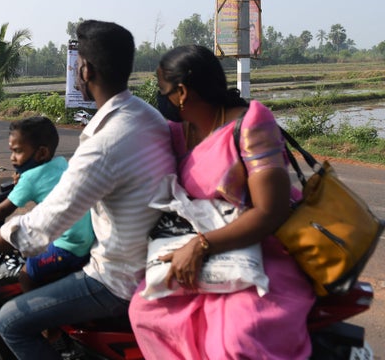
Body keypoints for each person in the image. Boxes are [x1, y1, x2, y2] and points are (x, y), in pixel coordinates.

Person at [0, 20, 176, 359]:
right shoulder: (146, 115)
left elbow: (43, 225)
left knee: (11, 321)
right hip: (148, 253)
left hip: (118, 277)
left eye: (77, 63)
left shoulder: (104, 142)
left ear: (85, 69)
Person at [129, 45, 315, 359]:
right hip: (199, 244)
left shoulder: (252, 124)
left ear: (182, 92)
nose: (160, 99)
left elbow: (272, 210)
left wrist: (201, 246)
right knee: (145, 311)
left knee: (234, 342)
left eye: (163, 91)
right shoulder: (179, 131)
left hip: (257, 247)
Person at [0, 116, 94, 291]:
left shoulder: (29, 179)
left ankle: (34, 312)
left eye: (18, 151)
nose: (12, 158)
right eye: (11, 151)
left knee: (25, 274)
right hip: (86, 237)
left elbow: (3, 210)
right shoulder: (60, 163)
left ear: (42, 153)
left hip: (69, 246)